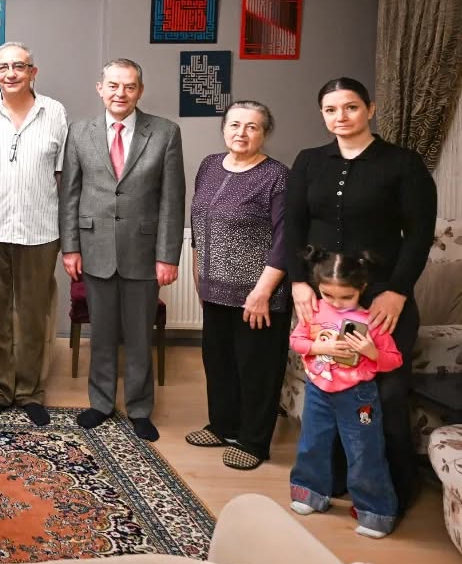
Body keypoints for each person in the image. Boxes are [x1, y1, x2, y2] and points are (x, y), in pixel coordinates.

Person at [283, 77, 436, 511]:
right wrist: (298, 282)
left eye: (350, 107)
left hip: (383, 297)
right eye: (331, 109)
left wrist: (398, 292)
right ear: (322, 115)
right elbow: (293, 226)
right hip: (324, 298)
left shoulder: (402, 163)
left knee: (385, 394)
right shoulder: (309, 161)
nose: (341, 116)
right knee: (328, 389)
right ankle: (330, 483)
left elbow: (419, 235)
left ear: (370, 108)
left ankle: (391, 494)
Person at [60, 58, 184, 441]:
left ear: (140, 91)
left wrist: (167, 255)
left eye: (129, 86)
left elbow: (172, 199)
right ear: (100, 88)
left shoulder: (164, 132)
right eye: (113, 85)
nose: (121, 93)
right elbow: (70, 194)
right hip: (93, 248)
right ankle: (100, 403)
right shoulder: (79, 132)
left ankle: (140, 409)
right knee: (101, 334)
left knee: (139, 336)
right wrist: (70, 247)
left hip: (143, 252)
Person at [0, 43, 68, 427]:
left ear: (32, 71)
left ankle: (29, 392)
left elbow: (61, 175)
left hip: (40, 231)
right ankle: (0, 390)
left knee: (33, 316)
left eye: (19, 66)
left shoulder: (54, 113)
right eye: (3, 67)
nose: (11, 73)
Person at [186, 100, 290, 471]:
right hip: (215, 290)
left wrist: (263, 292)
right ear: (224, 128)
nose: (241, 133)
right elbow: (199, 225)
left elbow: (286, 239)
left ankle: (253, 441)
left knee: (256, 368)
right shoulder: (210, 165)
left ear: (265, 133)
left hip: (258, 294)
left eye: (252, 126)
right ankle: (222, 426)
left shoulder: (277, 176)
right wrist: (199, 277)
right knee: (219, 362)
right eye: (234, 125)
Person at [289, 249, 403, 538]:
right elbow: (297, 340)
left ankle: (376, 513)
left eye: (346, 297)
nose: (336, 303)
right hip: (318, 390)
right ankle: (309, 493)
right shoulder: (315, 310)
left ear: (361, 288)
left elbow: (394, 360)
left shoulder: (371, 320)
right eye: (328, 294)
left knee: (364, 450)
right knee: (312, 443)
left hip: (358, 396)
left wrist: (371, 351)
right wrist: (320, 347)